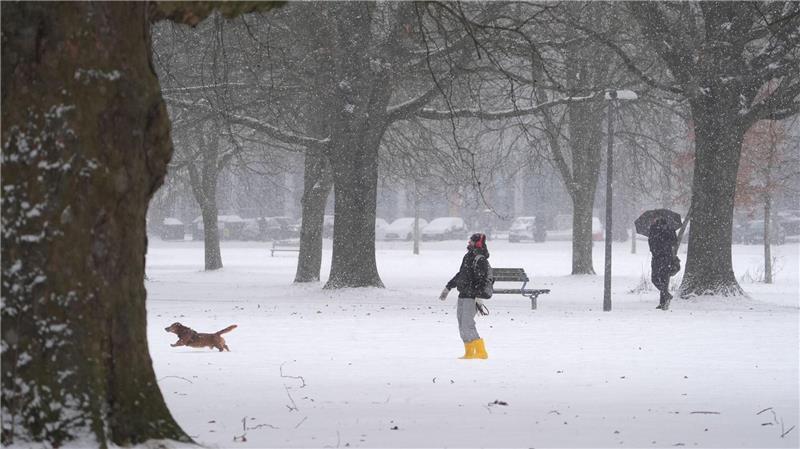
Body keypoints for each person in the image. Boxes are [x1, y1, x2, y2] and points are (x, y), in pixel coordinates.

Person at [438, 232, 490, 359]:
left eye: (471, 241)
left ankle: (481, 352)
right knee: (461, 324)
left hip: (471, 296)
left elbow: (482, 279)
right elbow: (461, 274)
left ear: (477, 243)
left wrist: (478, 296)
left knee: (467, 324)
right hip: (463, 294)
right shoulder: (468, 256)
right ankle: (469, 352)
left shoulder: (480, 259)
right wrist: (449, 286)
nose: (469, 243)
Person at [648, 217, 678, 310]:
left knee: (664, 279)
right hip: (657, 257)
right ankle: (667, 296)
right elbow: (650, 241)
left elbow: (674, 241)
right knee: (655, 279)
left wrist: (665, 239)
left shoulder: (669, 228)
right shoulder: (653, 228)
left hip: (666, 257)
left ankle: (663, 302)